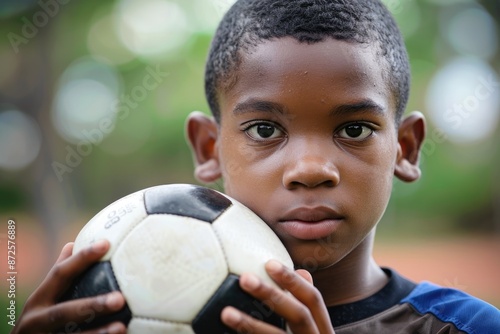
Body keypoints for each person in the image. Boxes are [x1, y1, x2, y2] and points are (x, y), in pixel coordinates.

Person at [12, 0, 500, 333]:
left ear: (406, 149)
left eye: (354, 129)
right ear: (208, 148)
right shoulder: (123, 318)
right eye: (265, 130)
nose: (310, 169)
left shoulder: (465, 327)